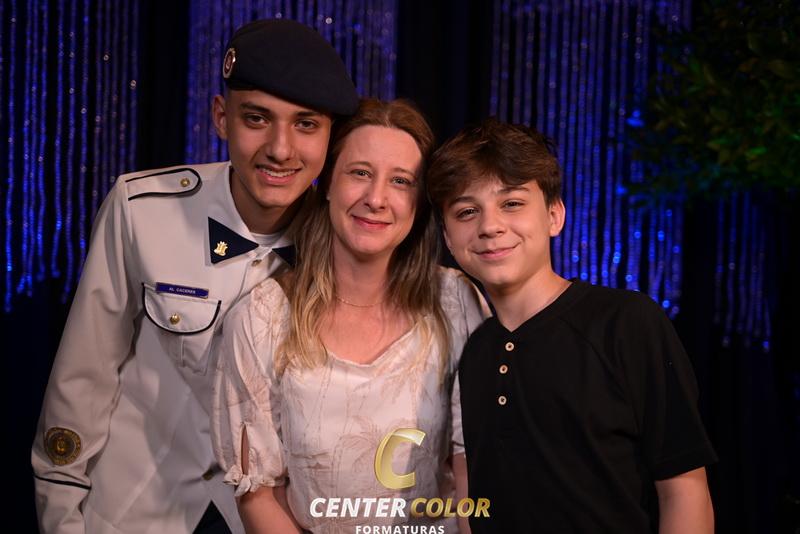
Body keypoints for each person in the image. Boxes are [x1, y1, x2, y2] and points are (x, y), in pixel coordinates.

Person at [31, 19, 358, 534]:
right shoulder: (143, 211)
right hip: (132, 515)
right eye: (257, 118)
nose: (280, 148)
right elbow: (83, 378)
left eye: (306, 125)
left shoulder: (350, 245)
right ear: (221, 118)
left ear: (331, 137)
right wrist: (61, 515)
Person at [426, 118, 717, 533]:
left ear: (554, 215)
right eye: (467, 212)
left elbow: (684, 490)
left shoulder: (626, 323)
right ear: (448, 238)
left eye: (512, 203)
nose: (490, 226)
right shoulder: (475, 353)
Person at [211, 98, 488, 533]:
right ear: (327, 184)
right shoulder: (262, 317)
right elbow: (258, 494)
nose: (376, 199)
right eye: (360, 173)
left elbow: (473, 470)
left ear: (419, 202)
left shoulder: (454, 302)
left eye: (401, 181)